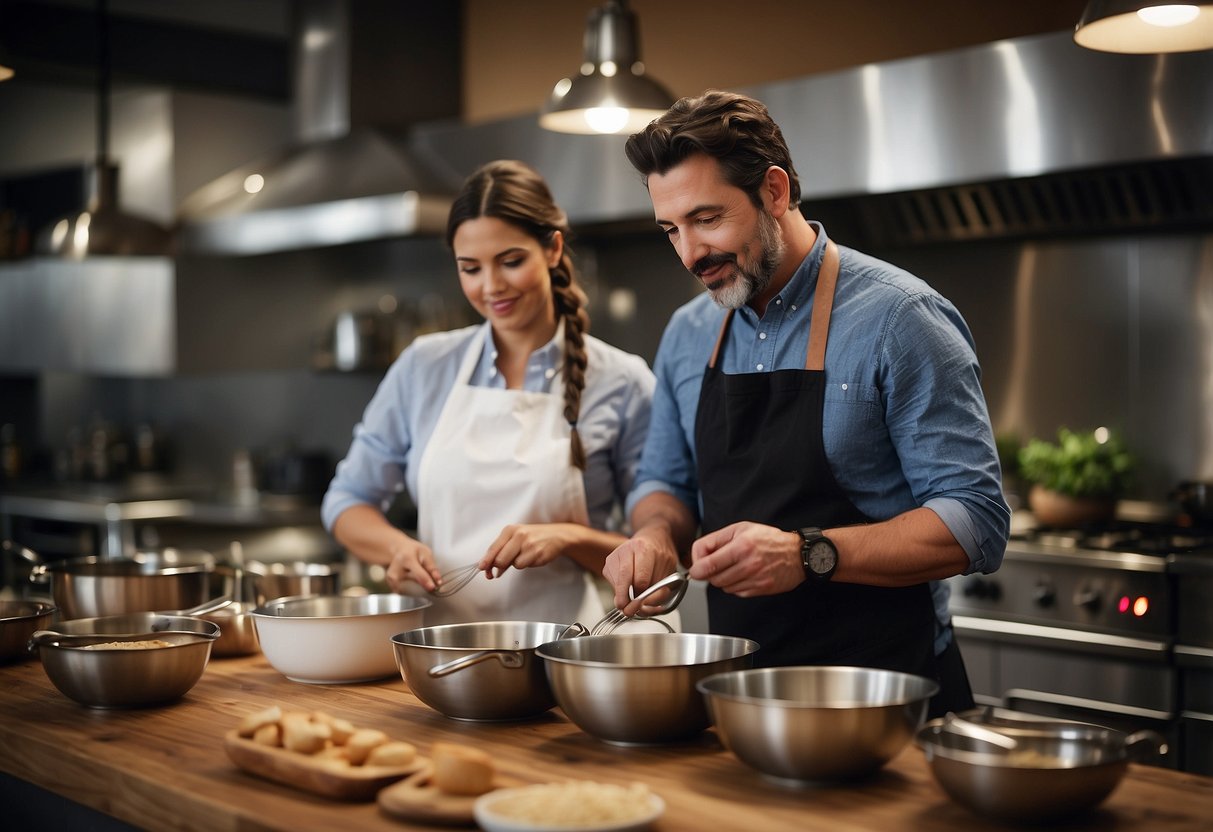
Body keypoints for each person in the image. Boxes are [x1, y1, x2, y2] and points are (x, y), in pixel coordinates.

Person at [602, 91, 1009, 717]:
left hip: (885, 693)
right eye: (670, 230)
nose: (689, 255)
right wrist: (655, 534)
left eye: (707, 220)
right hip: (737, 694)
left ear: (773, 191)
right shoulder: (687, 333)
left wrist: (806, 555)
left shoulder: (900, 319)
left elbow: (975, 520)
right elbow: (665, 480)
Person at [323, 160, 655, 627]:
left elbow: (660, 554)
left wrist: (569, 538)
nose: (491, 286)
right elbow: (347, 501)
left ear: (553, 249)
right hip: (438, 654)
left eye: (511, 261)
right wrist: (396, 547)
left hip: (566, 656)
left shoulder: (622, 382)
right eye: (470, 269)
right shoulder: (424, 367)